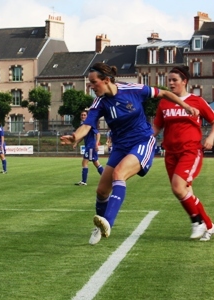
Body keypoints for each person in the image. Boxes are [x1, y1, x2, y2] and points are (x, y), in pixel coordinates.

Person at [60, 62, 198, 245]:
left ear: (106, 80)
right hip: (120, 147)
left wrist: (185, 106)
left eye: (93, 82)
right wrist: (75, 136)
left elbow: (164, 93)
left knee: (119, 174)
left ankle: (108, 221)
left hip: (142, 141)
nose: (91, 87)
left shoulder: (134, 89)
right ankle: (99, 227)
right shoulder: (99, 103)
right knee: (101, 191)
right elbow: (86, 125)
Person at [153, 66, 214, 241]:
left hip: (191, 151)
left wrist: (210, 137)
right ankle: (209, 226)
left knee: (178, 187)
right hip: (170, 152)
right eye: (168, 80)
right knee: (185, 191)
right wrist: (145, 138)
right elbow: (157, 126)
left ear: (184, 81)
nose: (170, 83)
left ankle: (197, 222)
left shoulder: (197, 101)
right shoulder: (164, 102)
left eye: (174, 80)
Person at [74, 110, 104, 186]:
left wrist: (97, 144)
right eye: (82, 115)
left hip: (91, 146)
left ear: (87, 116)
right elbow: (82, 136)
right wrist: (76, 142)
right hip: (89, 146)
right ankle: (106, 179)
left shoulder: (89, 124)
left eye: (84, 115)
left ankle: (84, 181)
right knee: (96, 163)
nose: (83, 116)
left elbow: (98, 134)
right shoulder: (83, 125)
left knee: (85, 162)